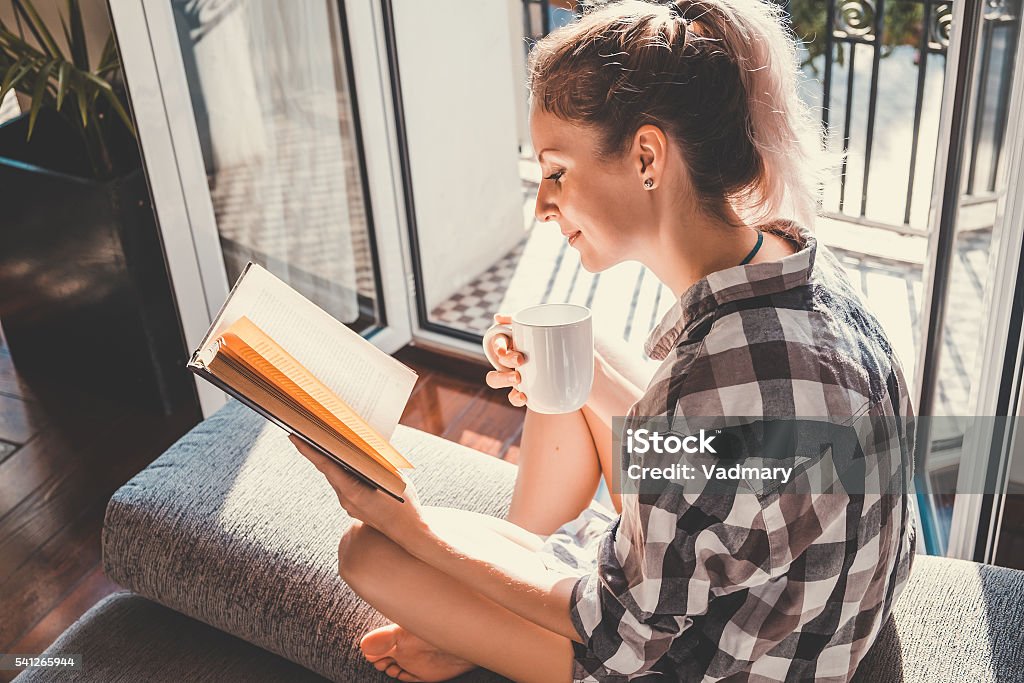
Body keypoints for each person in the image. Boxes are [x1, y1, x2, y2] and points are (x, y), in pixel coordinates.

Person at [290, 0, 917, 681]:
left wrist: (416, 531)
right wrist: (566, 370)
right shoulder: (805, 270)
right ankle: (502, 594)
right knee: (575, 352)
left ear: (648, 155)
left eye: (556, 170)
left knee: (368, 552)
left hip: (711, 660)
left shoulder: (705, 385)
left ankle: (481, 625)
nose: (542, 203)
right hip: (793, 597)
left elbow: (619, 636)